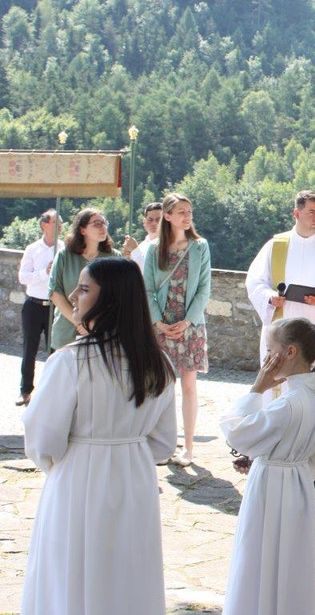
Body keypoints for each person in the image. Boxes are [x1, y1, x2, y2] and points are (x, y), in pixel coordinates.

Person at [21, 258, 177, 615]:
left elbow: (43, 438)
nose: (73, 296)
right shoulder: (159, 364)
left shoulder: (70, 362)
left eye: (84, 288)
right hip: (134, 478)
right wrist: (128, 447)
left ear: (110, 299)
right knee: (127, 573)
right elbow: (164, 443)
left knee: (70, 571)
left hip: (77, 476)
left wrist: (64, 464)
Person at [220, 317, 315, 615]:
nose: (266, 357)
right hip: (298, 485)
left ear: (289, 352)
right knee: (290, 563)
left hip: (270, 488)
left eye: (269, 348)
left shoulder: (289, 402)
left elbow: (237, 431)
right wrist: (274, 459)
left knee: (258, 560)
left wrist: (257, 389)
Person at [246, 190, 315, 384]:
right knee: (281, 386)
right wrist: (270, 297)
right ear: (296, 213)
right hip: (283, 326)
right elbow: (255, 282)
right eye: (311, 212)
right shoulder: (275, 246)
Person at [143, 193, 211, 467]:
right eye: (181, 211)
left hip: (189, 326)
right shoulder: (154, 249)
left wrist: (187, 321)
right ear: (168, 216)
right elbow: (147, 289)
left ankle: (188, 447)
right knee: (161, 386)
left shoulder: (199, 246)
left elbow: (204, 288)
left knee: (189, 386)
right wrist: (158, 322)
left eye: (189, 211)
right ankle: (162, 444)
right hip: (162, 325)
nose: (187, 216)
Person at [48, 207, 119, 350]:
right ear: (82, 230)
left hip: (101, 332)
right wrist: (79, 322)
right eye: (96, 224)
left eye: (104, 223)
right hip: (66, 332)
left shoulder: (114, 257)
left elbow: (117, 296)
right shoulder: (64, 256)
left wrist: (95, 323)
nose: (103, 227)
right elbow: (55, 292)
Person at [17, 209, 63, 406]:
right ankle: (25, 390)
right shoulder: (32, 249)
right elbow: (23, 277)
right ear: (44, 225)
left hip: (55, 306)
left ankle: (50, 393)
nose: (60, 227)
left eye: (61, 223)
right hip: (34, 305)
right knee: (29, 350)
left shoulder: (64, 249)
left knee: (55, 351)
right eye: (56, 223)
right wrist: (45, 273)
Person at [122, 201, 163, 269]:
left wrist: (135, 251)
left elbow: (150, 270)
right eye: (150, 220)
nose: (154, 223)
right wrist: (128, 258)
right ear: (144, 222)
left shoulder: (169, 245)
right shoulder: (142, 246)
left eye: (158, 220)